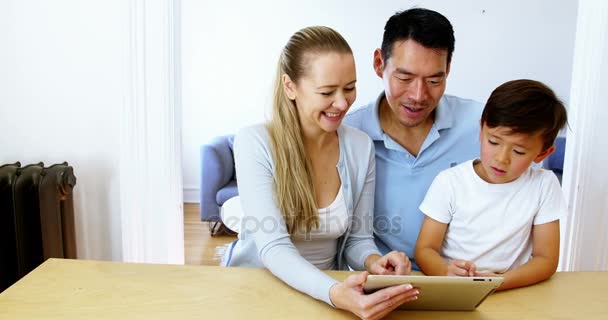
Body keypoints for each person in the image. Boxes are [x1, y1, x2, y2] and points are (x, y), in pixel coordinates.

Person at [222, 26, 418, 319]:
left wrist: (375, 261)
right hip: (259, 292)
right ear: (290, 86)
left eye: (350, 88)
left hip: (328, 297)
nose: (342, 103)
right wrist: (334, 293)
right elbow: (273, 247)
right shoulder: (255, 142)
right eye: (327, 92)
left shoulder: (360, 146)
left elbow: (357, 240)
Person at [343, 8, 483, 270]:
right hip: (386, 280)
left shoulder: (484, 126)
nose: (418, 95)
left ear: (448, 70)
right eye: (405, 77)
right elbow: (351, 239)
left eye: (433, 80)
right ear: (378, 63)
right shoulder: (348, 134)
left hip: (467, 280)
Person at [414, 79, 568, 290]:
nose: (501, 158)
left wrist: (498, 283)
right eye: (493, 142)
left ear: (542, 153)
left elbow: (546, 259)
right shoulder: (450, 182)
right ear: (481, 129)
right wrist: (446, 272)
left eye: (519, 152)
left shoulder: (544, 185)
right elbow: (425, 249)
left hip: (512, 289)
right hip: (454, 288)